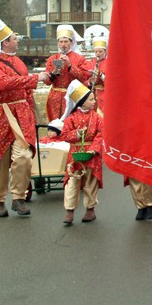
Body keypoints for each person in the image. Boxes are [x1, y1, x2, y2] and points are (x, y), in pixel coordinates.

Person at [0, 19, 50, 217]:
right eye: (15, 38)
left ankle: (19, 197)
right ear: (5, 42)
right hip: (0, 115)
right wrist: (34, 78)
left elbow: (24, 88)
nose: (18, 40)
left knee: (23, 157)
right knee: (0, 158)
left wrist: (32, 107)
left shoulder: (19, 62)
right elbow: (3, 83)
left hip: (21, 115)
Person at [57, 80, 104, 226]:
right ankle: (69, 211)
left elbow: (101, 134)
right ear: (81, 102)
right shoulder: (70, 118)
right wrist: (76, 135)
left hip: (91, 154)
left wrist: (94, 149)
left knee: (90, 181)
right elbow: (64, 135)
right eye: (91, 99)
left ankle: (90, 209)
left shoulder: (97, 118)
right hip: (75, 155)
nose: (94, 101)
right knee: (72, 182)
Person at [44, 25, 91, 121]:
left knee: (71, 123)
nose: (63, 44)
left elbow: (84, 77)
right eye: (61, 42)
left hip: (73, 96)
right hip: (55, 97)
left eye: (66, 41)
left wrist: (70, 66)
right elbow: (47, 81)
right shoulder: (52, 58)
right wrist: (54, 71)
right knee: (56, 124)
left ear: (71, 42)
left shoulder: (80, 59)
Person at [87, 37, 108, 114]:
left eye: (100, 51)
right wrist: (89, 82)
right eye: (96, 52)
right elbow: (84, 77)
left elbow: (111, 81)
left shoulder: (109, 63)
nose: (98, 54)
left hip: (103, 93)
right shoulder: (91, 62)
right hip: (92, 92)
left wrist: (101, 75)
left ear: (105, 51)